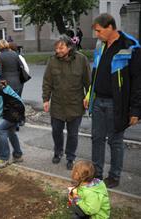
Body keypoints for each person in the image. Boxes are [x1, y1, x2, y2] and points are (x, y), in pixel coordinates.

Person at [84, 13, 141, 188]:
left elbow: (138, 80)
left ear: (110, 27)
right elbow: (96, 73)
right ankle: (97, 175)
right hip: (98, 101)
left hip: (117, 104)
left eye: (99, 31)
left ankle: (114, 176)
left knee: (115, 141)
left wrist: (135, 111)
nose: (96, 35)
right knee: (96, 139)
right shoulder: (100, 45)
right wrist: (89, 95)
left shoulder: (130, 46)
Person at [42, 35, 90, 170]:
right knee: (56, 131)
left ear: (69, 47)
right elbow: (47, 82)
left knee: (73, 134)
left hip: (76, 105)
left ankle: (70, 157)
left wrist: (88, 98)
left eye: (61, 47)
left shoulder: (81, 60)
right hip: (57, 104)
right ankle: (58, 152)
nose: (58, 50)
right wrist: (46, 99)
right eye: (56, 48)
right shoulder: (52, 61)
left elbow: (88, 82)